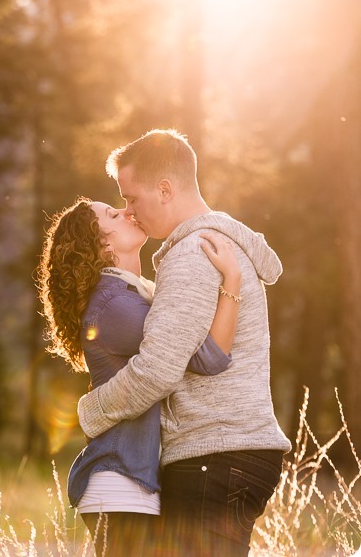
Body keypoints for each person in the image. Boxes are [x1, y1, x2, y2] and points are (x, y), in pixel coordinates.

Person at [77, 129, 292, 557]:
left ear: (164, 189)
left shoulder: (193, 253)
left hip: (215, 453)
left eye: (131, 198)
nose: (129, 210)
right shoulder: (215, 243)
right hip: (229, 450)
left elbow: (157, 369)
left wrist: (90, 410)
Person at [38, 196, 242, 557]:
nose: (127, 212)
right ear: (102, 242)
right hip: (119, 481)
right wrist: (233, 280)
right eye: (113, 214)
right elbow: (206, 356)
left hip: (135, 482)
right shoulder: (115, 305)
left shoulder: (135, 294)